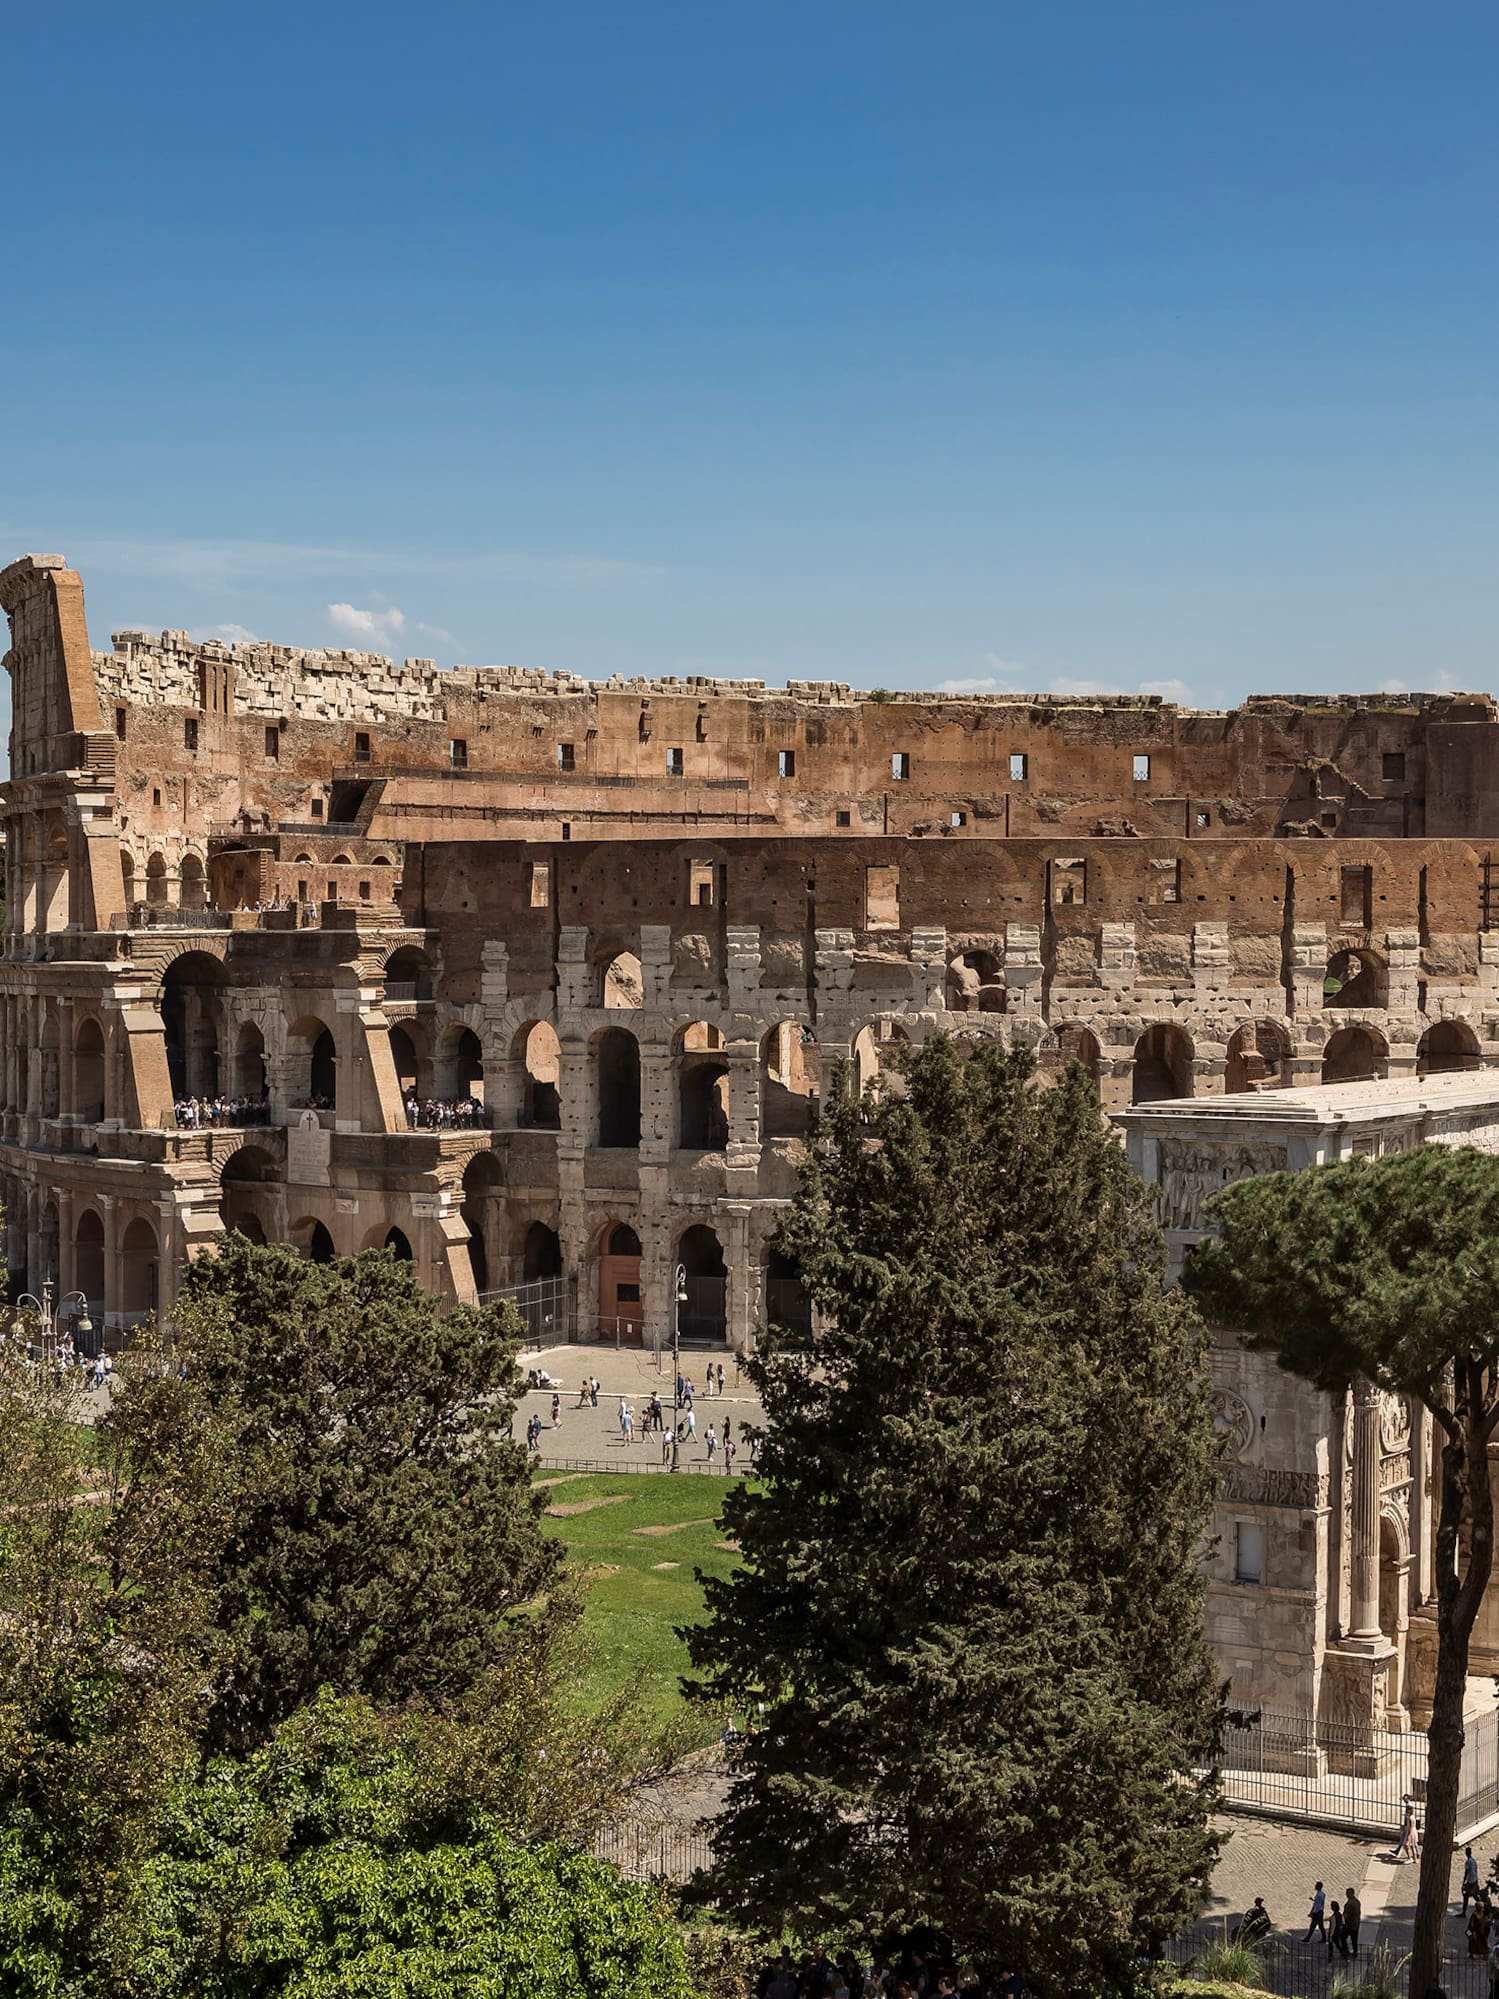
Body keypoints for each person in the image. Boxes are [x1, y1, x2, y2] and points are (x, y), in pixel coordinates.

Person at [1398, 1795, 1420, 1863]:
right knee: (1413, 1845)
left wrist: (1408, 1835)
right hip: (1413, 1831)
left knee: (1406, 1845)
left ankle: (1410, 1858)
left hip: (1410, 1832)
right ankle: (1415, 1858)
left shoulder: (1409, 1817)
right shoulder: (1412, 1816)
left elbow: (1410, 1826)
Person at [1344, 1885, 1361, 1958]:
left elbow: (1346, 1915)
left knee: (1342, 1937)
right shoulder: (1357, 1901)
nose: (1346, 1895)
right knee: (1354, 1939)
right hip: (1356, 1923)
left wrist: (1342, 1923)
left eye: (1347, 1893)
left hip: (1350, 1924)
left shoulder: (1350, 1904)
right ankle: (1355, 1952)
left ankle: (1346, 1951)